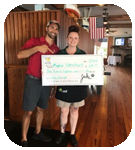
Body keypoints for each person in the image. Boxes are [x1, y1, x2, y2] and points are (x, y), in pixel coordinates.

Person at [17, 20, 60, 147]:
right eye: (52, 27)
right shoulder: (35, 41)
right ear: (47, 28)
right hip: (33, 80)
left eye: (56, 29)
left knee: (41, 109)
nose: (54, 30)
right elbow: (19, 55)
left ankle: (38, 132)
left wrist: (53, 86)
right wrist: (37, 48)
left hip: (46, 82)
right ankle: (24, 139)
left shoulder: (56, 49)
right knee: (28, 111)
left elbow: (55, 69)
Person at [55, 25, 88, 147]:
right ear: (67, 38)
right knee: (64, 111)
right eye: (70, 37)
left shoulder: (82, 54)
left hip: (78, 88)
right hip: (64, 87)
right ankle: (62, 132)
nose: (73, 40)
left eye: (75, 38)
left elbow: (88, 71)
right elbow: (53, 70)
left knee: (74, 110)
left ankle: (72, 134)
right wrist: (47, 73)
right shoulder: (60, 54)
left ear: (78, 40)